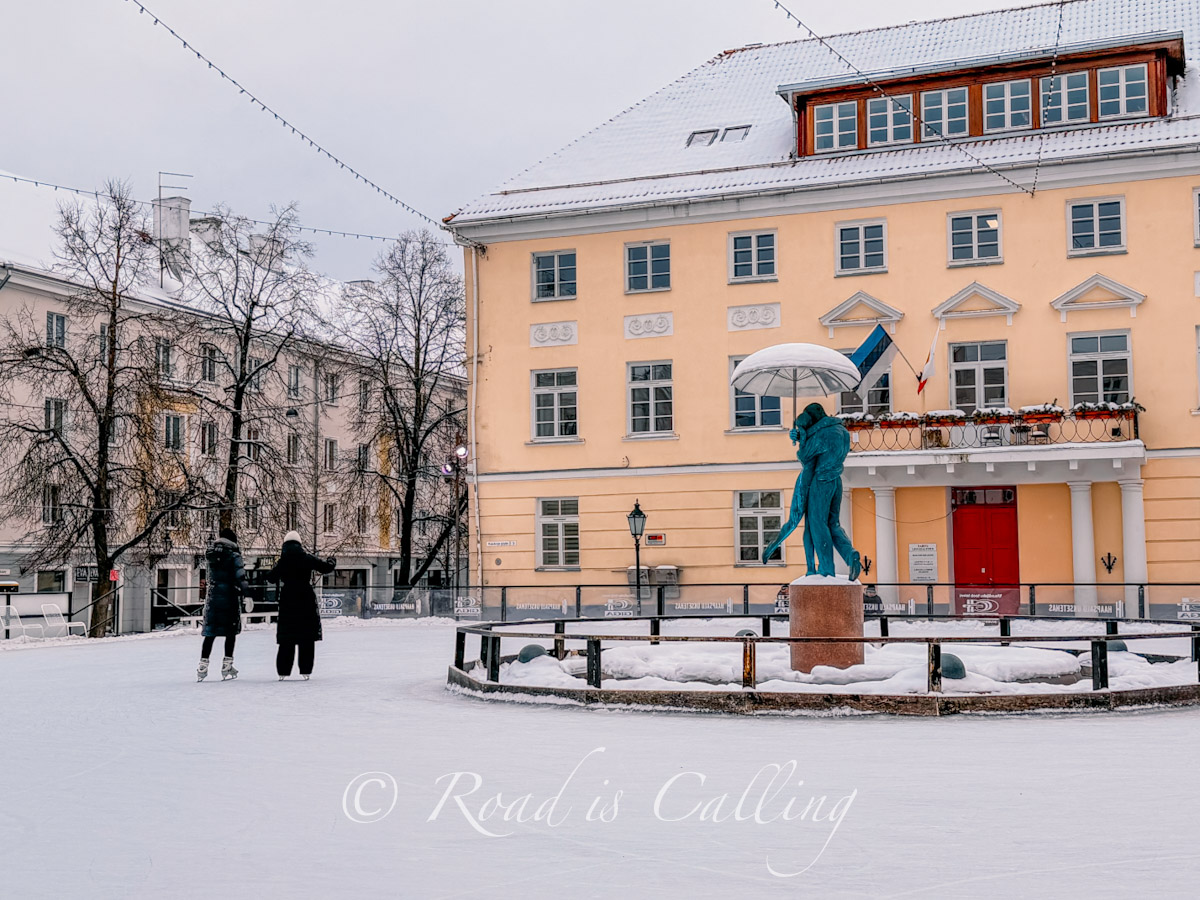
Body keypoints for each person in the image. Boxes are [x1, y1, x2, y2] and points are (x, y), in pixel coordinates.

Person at [267, 531, 336, 680]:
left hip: (288, 599)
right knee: (306, 636)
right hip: (305, 598)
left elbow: (271, 578)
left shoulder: (283, 561)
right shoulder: (306, 558)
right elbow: (326, 568)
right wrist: (331, 560)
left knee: (287, 637)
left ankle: (283, 672)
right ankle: (306, 670)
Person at [198, 527, 250, 682]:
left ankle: (203, 665)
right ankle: (227, 664)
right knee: (230, 631)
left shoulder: (211, 555)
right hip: (229, 596)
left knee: (210, 631)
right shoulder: (234, 555)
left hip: (213, 596)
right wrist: (247, 594)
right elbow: (240, 576)